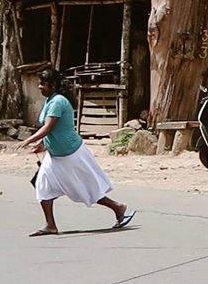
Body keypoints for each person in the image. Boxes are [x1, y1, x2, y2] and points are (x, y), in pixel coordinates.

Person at [24, 67, 132, 236]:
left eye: (43, 83)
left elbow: (48, 127)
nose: (39, 86)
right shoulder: (50, 100)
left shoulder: (58, 101)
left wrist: (29, 140)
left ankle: (118, 207)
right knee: (43, 185)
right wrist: (43, 145)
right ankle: (50, 225)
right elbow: (54, 130)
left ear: (52, 85)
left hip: (71, 154)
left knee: (84, 188)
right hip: (55, 156)